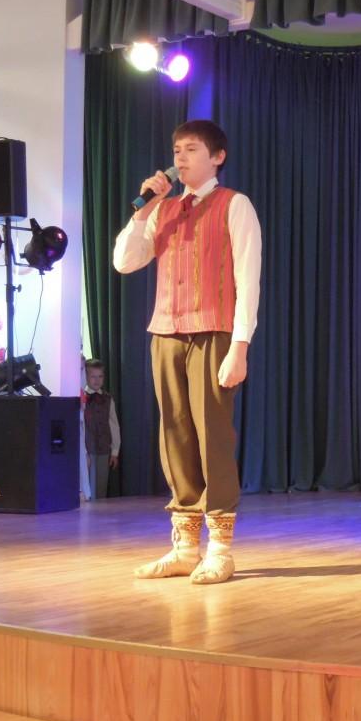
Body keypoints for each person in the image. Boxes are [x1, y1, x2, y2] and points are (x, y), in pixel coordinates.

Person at [113, 119, 262, 585]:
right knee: (174, 434)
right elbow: (124, 262)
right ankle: (183, 547)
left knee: (211, 434)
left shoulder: (234, 204)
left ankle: (220, 548)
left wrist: (239, 346)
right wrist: (144, 210)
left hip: (214, 331)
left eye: (192, 149)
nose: (180, 157)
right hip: (166, 332)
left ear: (217, 157)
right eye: (177, 149)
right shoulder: (163, 209)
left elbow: (248, 280)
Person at [81, 359, 120, 501]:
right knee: (87, 488)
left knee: (101, 487)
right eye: (93, 376)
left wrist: (115, 451)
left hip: (104, 449)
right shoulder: (82, 398)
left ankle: (100, 513)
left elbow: (114, 425)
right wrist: (83, 452)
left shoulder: (108, 399)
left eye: (100, 376)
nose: (97, 380)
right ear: (86, 376)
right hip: (87, 450)